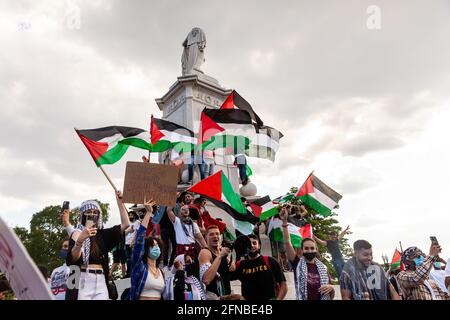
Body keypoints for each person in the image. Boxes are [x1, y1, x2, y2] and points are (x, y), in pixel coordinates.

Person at [66, 191, 130, 300]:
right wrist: (80, 240)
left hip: (100, 279)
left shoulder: (102, 234)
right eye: (89, 211)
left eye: (95, 212)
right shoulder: (76, 233)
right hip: (81, 277)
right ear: (82, 214)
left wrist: (120, 202)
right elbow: (73, 259)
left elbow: (126, 224)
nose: (92, 214)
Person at [280, 206, 334, 300]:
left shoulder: (323, 268)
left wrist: (331, 288)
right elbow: (287, 242)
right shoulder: (297, 263)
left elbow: (331, 294)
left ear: (316, 249)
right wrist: (284, 222)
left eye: (312, 248)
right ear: (302, 250)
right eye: (307, 248)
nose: (309, 250)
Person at [230, 234, 287, 300]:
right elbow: (225, 277)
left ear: (259, 246)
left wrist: (279, 299)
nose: (252, 245)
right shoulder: (240, 265)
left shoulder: (270, 261)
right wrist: (230, 261)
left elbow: (283, 284)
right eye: (249, 244)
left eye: (254, 243)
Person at [130, 199, 166, 300]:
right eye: (153, 246)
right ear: (145, 249)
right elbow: (140, 240)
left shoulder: (161, 272)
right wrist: (149, 213)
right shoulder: (139, 266)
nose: (156, 248)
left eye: (157, 246)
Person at [198, 225, 234, 299]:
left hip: (226, 295)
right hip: (212, 296)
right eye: (211, 234)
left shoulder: (222, 252)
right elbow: (206, 279)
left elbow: (231, 270)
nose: (215, 236)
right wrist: (220, 256)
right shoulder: (205, 252)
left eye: (217, 234)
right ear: (206, 238)